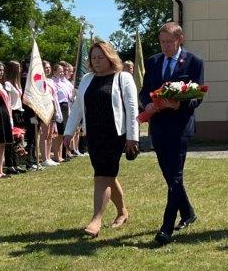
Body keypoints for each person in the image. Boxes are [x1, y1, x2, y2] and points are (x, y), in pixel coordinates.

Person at [63, 41, 139, 238]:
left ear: (110, 57)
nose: (96, 61)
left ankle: (96, 219)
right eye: (93, 58)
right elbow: (78, 108)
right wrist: (68, 132)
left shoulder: (123, 77)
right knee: (107, 176)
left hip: (115, 134)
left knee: (101, 177)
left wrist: (133, 137)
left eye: (100, 57)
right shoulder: (87, 79)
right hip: (94, 134)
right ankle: (123, 212)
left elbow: (131, 109)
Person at [140, 21, 204, 246]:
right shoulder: (153, 61)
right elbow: (144, 91)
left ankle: (167, 227)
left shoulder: (194, 62)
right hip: (158, 126)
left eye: (169, 42)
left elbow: (197, 96)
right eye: (162, 42)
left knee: (175, 175)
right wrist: (147, 104)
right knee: (168, 174)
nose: (165, 46)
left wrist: (180, 105)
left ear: (180, 39)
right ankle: (187, 212)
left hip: (179, 127)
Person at [5, 61, 26, 174]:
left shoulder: (17, 83)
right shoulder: (8, 84)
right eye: (18, 68)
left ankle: (17, 163)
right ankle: (10, 164)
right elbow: (8, 101)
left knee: (19, 139)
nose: (21, 69)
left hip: (19, 112)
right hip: (12, 112)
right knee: (12, 140)